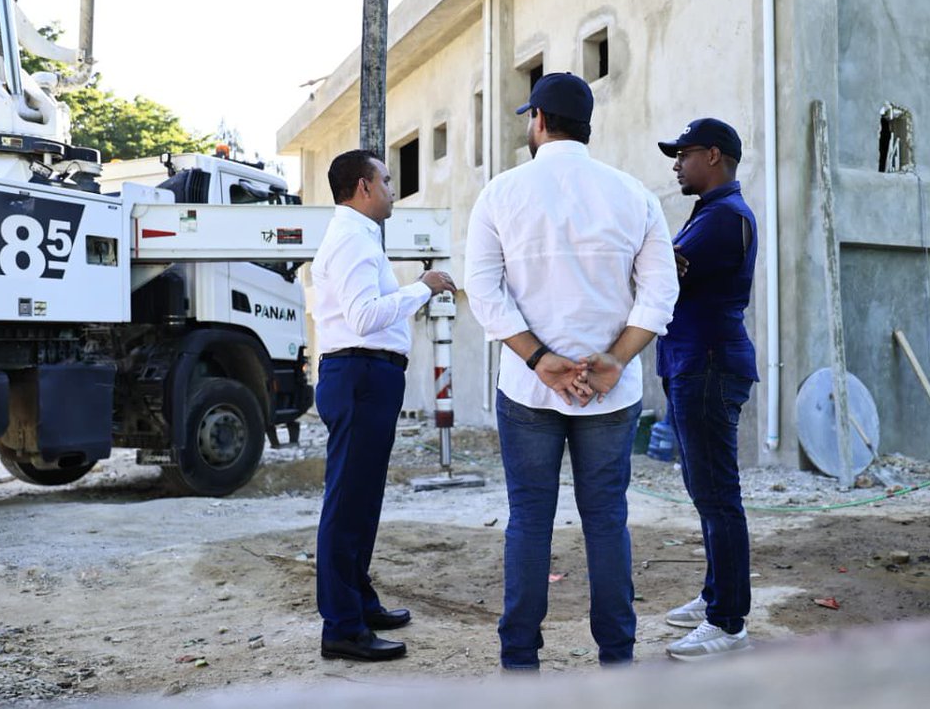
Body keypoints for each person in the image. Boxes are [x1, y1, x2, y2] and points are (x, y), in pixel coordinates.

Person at [464, 72, 679, 670]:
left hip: (529, 387)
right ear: (587, 125)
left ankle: (520, 664)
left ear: (537, 120)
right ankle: (617, 659)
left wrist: (541, 360)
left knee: (529, 519)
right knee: (607, 519)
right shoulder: (634, 194)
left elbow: (483, 292)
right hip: (610, 391)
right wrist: (611, 360)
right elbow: (659, 295)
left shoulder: (501, 193)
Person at [310, 149, 456, 662]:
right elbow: (365, 316)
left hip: (368, 376)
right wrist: (423, 287)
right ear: (363, 187)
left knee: (363, 501)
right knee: (348, 502)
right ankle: (342, 628)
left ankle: (358, 603)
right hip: (358, 375)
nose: (394, 189)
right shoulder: (351, 239)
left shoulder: (361, 237)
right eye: (388, 180)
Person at [653, 118, 759, 661]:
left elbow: (659, 275)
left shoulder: (723, 219)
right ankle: (718, 594)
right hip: (695, 363)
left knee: (718, 495)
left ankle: (728, 622)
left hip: (709, 366)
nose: (675, 164)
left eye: (684, 154)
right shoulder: (710, 215)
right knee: (706, 491)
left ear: (713, 156)